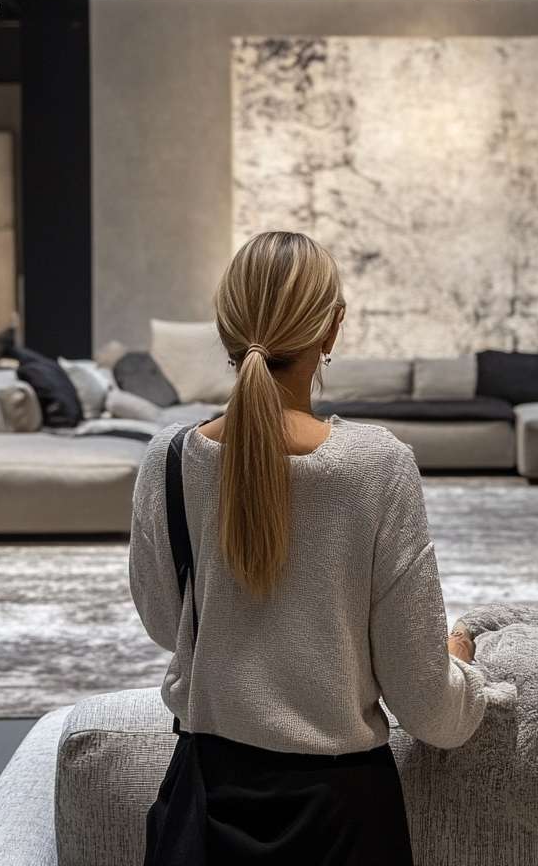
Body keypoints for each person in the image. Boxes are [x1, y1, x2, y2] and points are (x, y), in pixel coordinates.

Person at [130, 230, 485, 865]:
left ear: (225, 329)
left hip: (204, 809)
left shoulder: (170, 459)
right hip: (343, 818)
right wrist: (463, 664)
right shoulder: (377, 466)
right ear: (332, 329)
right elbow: (427, 706)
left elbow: (166, 625)